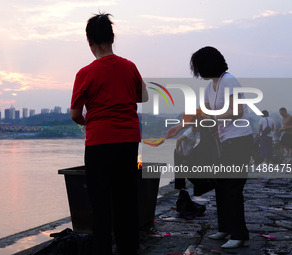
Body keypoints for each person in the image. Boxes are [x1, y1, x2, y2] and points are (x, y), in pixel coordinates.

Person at [70, 13, 148, 255]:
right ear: (112, 38)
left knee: (100, 204)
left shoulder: (85, 73)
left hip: (99, 143)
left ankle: (103, 250)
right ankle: (129, 251)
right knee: (127, 200)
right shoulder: (129, 66)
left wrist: (86, 122)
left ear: (89, 41)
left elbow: (74, 113)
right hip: (128, 141)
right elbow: (142, 96)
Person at [168, 46, 253, 249]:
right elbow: (200, 114)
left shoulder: (229, 80)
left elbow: (237, 111)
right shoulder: (211, 87)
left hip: (239, 139)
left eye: (198, 67)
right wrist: (182, 127)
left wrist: (213, 118)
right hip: (224, 142)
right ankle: (225, 228)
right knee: (221, 185)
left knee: (231, 187)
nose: (197, 72)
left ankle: (239, 234)